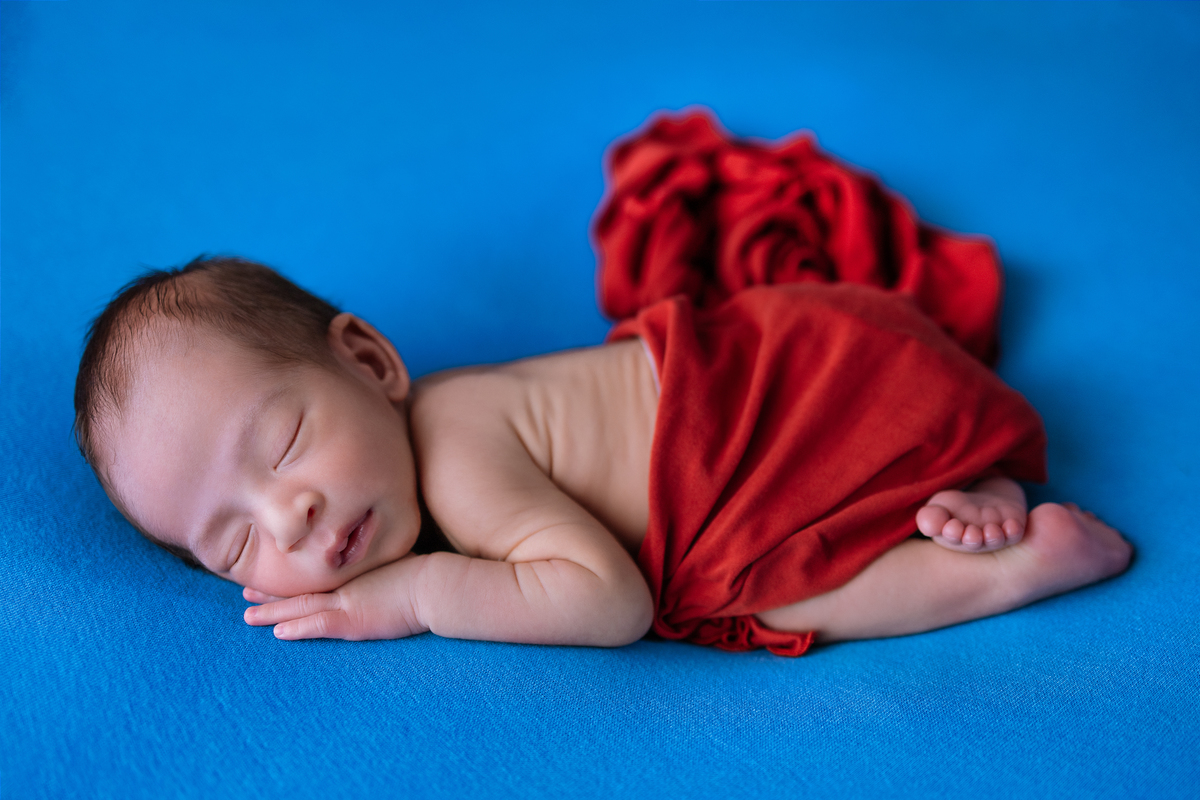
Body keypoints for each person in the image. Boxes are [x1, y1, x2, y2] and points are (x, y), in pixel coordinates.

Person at [72, 113, 1131, 656]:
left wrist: (419, 596)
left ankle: (1013, 568)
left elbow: (608, 600)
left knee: (775, 590)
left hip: (781, 399)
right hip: (830, 352)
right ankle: (969, 488)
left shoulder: (454, 445)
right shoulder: (424, 456)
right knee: (807, 533)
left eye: (284, 442)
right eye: (234, 545)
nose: (288, 517)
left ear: (371, 362)